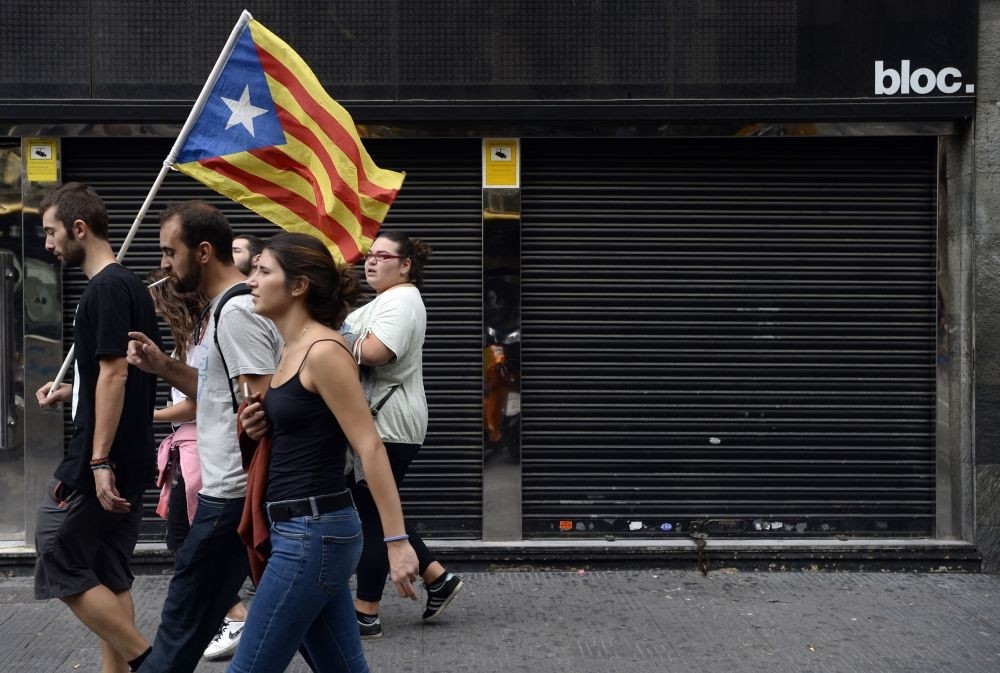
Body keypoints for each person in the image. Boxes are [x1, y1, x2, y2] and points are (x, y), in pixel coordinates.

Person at [228, 232, 419, 673]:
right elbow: (305, 431)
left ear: (298, 286)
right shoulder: (290, 349)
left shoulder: (325, 351)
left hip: (312, 532)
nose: (251, 280)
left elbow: (368, 443)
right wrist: (260, 426)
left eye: (264, 271)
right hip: (301, 529)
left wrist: (396, 541)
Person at [125, 201, 282, 673]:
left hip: (231, 491)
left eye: (170, 252)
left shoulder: (235, 313)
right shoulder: (221, 312)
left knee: (181, 617)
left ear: (205, 251)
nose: (164, 265)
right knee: (307, 621)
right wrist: (165, 366)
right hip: (232, 491)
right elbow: (219, 390)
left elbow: (264, 401)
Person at [33, 182, 159, 673]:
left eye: (51, 232)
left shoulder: (106, 287)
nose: (47, 244)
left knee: (55, 550)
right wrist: (73, 392)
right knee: (109, 570)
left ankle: (150, 662)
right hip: (130, 454)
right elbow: (106, 374)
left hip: (103, 458)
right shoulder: (127, 286)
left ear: (78, 228)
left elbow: (116, 373)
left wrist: (99, 461)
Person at [341, 231, 463, 640]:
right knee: (377, 509)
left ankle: (366, 612)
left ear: (406, 264)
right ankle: (438, 578)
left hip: (387, 424)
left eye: (382, 256)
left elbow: (376, 352)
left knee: (372, 516)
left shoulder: (403, 299)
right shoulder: (384, 300)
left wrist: (332, 341)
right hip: (380, 422)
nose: (370, 263)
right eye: (368, 256)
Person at [146, 268, 249, 662]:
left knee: (192, 550)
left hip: (204, 456)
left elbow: (202, 398)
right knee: (195, 545)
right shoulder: (187, 341)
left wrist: (149, 416)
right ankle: (234, 614)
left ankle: (234, 614)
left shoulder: (208, 335)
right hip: (192, 452)